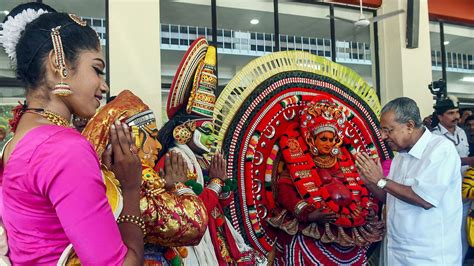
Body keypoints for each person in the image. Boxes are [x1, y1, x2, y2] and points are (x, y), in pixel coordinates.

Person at [0, 3, 143, 264]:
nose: (104, 85)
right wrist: (132, 188)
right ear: (59, 65)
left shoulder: (15, 142)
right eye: (96, 70)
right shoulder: (65, 149)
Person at [157, 38, 261, 265]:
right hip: (192, 246)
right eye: (206, 130)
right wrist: (215, 182)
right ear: (184, 131)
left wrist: (221, 184)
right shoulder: (174, 160)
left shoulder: (199, 160)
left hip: (215, 237)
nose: (213, 136)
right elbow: (192, 213)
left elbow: (219, 204)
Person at [82, 90, 209, 265]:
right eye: (152, 137)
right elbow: (195, 223)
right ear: (128, 139)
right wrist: (181, 184)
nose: (157, 145)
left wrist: (167, 186)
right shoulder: (121, 185)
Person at [267, 96, 384, 265]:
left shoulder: (345, 162)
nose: (329, 144)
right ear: (311, 139)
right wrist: (308, 213)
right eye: (323, 139)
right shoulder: (298, 163)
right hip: (313, 228)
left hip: (349, 228)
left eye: (332, 139)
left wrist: (366, 209)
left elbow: (359, 188)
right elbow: (285, 191)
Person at [355, 97, 462, 265]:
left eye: (388, 130)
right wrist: (370, 181)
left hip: (428, 256)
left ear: (410, 126)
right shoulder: (401, 157)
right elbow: (389, 198)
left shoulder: (440, 150)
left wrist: (380, 180)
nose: (383, 136)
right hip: (397, 252)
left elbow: (425, 199)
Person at [432, 97, 473, 261]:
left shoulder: (461, 132)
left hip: (465, 192)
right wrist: (467, 161)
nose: (456, 116)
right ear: (440, 116)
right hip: (447, 194)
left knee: (464, 234)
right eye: (450, 113)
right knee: (449, 234)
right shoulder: (434, 136)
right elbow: (438, 164)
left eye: (457, 112)